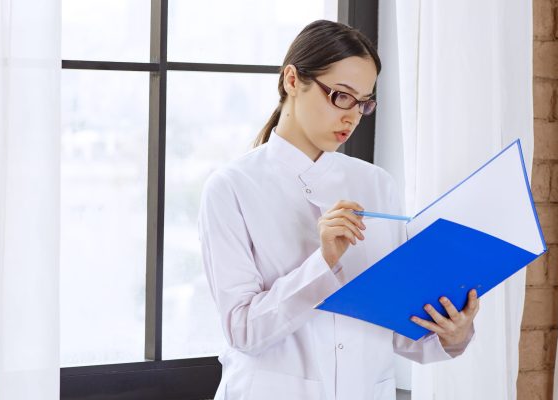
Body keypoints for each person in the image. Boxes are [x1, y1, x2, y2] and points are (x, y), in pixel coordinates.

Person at [198, 20, 478, 400]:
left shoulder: (378, 184)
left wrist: (451, 335)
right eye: (341, 96)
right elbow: (244, 331)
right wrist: (324, 260)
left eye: (363, 102)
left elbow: (394, 326)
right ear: (292, 81)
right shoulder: (231, 188)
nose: (353, 116)